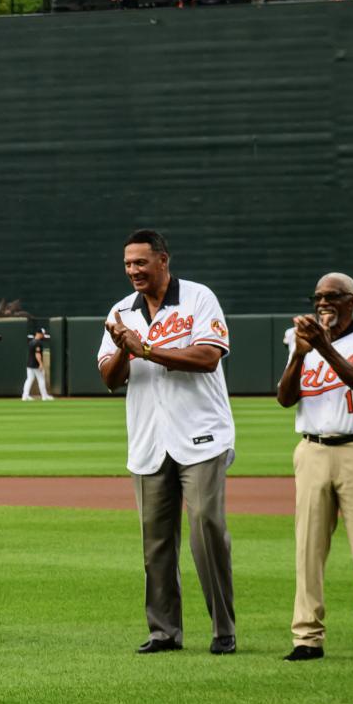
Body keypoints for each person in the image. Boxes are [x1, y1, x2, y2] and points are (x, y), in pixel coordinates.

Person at [98, 229, 235, 656]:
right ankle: (164, 632)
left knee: (206, 530)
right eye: (127, 264)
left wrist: (147, 350)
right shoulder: (121, 312)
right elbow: (109, 378)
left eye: (140, 262)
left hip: (201, 436)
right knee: (155, 541)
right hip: (149, 440)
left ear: (163, 260)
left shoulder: (197, 298)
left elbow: (209, 356)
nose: (133, 271)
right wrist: (125, 349)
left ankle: (223, 629)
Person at [276, 274, 353, 664]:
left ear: (352, 302)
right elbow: (284, 397)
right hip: (311, 451)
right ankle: (306, 637)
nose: (323, 303)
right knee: (308, 547)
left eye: (332, 297)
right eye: (318, 297)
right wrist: (299, 353)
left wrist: (324, 348)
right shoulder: (300, 341)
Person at [23, 327, 54, 401]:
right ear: (39, 334)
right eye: (42, 334)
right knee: (41, 379)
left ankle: (25, 396)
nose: (43, 335)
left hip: (29, 364)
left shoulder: (31, 341)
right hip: (35, 364)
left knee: (29, 379)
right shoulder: (38, 343)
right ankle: (44, 396)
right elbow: (37, 354)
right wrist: (40, 364)